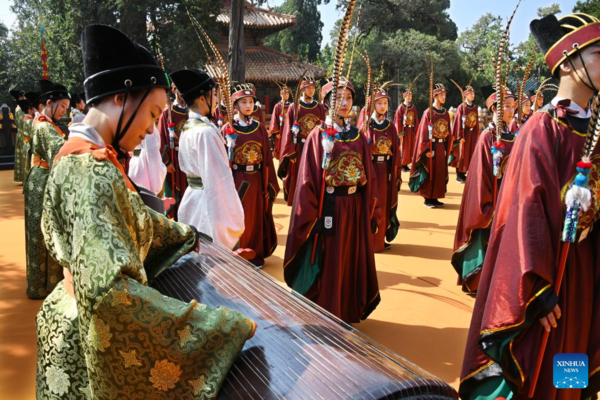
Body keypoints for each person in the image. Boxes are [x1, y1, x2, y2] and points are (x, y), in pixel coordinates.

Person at [36, 24, 256, 399]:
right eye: (152, 114)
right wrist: (216, 327)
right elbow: (110, 294)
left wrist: (188, 237)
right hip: (85, 339)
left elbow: (130, 221)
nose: (152, 128)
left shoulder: (70, 155)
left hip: (63, 317)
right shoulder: (95, 172)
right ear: (122, 98)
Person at [459, 13, 600, 399]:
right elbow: (525, 214)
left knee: (570, 368)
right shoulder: (542, 128)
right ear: (569, 62)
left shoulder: (596, 130)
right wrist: (536, 290)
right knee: (539, 370)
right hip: (546, 280)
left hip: (583, 275)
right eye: (599, 52)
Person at [283, 77, 381, 323]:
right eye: (339, 99)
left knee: (351, 258)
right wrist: (311, 215)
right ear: (327, 103)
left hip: (354, 208)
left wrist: (370, 210)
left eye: (349, 98)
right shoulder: (318, 135)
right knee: (332, 258)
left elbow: (368, 176)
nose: (345, 103)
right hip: (330, 209)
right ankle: (330, 309)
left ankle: (348, 308)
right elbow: (307, 178)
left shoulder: (358, 136)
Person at [171, 69, 245, 250]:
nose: (217, 100)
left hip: (192, 200)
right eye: (214, 94)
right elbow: (219, 181)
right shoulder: (205, 132)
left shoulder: (188, 127)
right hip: (207, 205)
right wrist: (231, 218)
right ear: (202, 98)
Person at [451, 85, 515, 293]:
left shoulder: (513, 135)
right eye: (506, 106)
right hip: (490, 200)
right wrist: (488, 206)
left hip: (507, 199)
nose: (511, 110)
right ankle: (478, 281)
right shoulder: (488, 138)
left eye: (512, 106)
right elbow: (479, 176)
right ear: (495, 109)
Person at [221, 85, 279, 266]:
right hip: (238, 180)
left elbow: (267, 158)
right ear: (235, 106)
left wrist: (269, 183)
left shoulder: (260, 128)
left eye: (251, 102)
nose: (248, 105)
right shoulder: (228, 129)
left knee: (255, 218)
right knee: (239, 216)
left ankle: (255, 255)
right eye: (244, 102)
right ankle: (238, 253)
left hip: (256, 180)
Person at [23, 79, 69, 299]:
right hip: (41, 182)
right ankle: (44, 286)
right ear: (49, 103)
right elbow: (59, 152)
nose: (63, 111)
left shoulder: (44, 123)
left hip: (39, 179)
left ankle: (41, 285)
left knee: (41, 233)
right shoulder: (43, 125)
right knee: (43, 233)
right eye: (62, 107)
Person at [361, 86, 401, 252]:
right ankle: (368, 239)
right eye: (379, 103)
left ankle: (380, 238)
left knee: (383, 204)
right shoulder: (365, 125)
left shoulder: (390, 126)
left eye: (385, 103)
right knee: (370, 203)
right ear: (372, 105)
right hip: (370, 170)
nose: (383, 107)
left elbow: (396, 153)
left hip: (385, 170)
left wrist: (395, 174)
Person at [278, 76, 326, 205]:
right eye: (308, 88)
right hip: (299, 146)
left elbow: (323, 127)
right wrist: (290, 151)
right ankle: (298, 198)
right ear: (303, 89)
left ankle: (312, 200)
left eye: (313, 88)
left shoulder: (319, 107)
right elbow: (288, 129)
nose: (311, 90)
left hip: (315, 148)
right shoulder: (294, 107)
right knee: (299, 174)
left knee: (313, 173)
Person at [409, 83, 452, 208]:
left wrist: (446, 147)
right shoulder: (428, 113)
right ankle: (428, 198)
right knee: (430, 171)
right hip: (431, 147)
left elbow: (449, 131)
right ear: (435, 96)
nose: (444, 97)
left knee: (440, 172)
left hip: (441, 147)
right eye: (441, 95)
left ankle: (435, 197)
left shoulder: (445, 113)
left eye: (445, 95)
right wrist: (425, 149)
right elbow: (423, 132)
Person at [157, 82, 189, 219]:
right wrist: (166, 161)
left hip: (189, 158)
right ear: (174, 90)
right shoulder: (167, 112)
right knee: (174, 194)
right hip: (174, 159)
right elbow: (161, 138)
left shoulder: (192, 112)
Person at [449, 85, 480, 183]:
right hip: (464, 135)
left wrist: (477, 134)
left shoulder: (475, 108)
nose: (473, 95)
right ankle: (460, 175)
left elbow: (476, 122)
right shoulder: (461, 107)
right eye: (470, 93)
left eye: (473, 93)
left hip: (472, 134)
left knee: (470, 154)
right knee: (462, 154)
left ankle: (467, 173)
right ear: (466, 95)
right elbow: (457, 121)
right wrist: (460, 136)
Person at [393, 84, 420, 172]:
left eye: (411, 96)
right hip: (404, 131)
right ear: (404, 97)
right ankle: (402, 164)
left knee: (410, 148)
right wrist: (400, 132)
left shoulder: (413, 107)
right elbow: (398, 120)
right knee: (404, 147)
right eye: (408, 96)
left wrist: (417, 131)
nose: (410, 98)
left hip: (411, 130)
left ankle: (407, 163)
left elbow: (416, 119)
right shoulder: (401, 108)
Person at [268, 82, 292, 160]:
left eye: (287, 94)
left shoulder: (291, 106)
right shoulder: (277, 106)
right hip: (280, 130)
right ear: (281, 94)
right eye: (284, 94)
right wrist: (276, 131)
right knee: (280, 145)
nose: (286, 96)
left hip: (290, 129)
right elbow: (274, 119)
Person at [11, 89, 26, 183]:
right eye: (23, 96)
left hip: (21, 134)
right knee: (24, 157)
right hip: (24, 134)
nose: (25, 98)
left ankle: (22, 177)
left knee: (22, 156)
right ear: (20, 98)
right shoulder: (21, 109)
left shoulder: (18, 108)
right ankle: (24, 177)